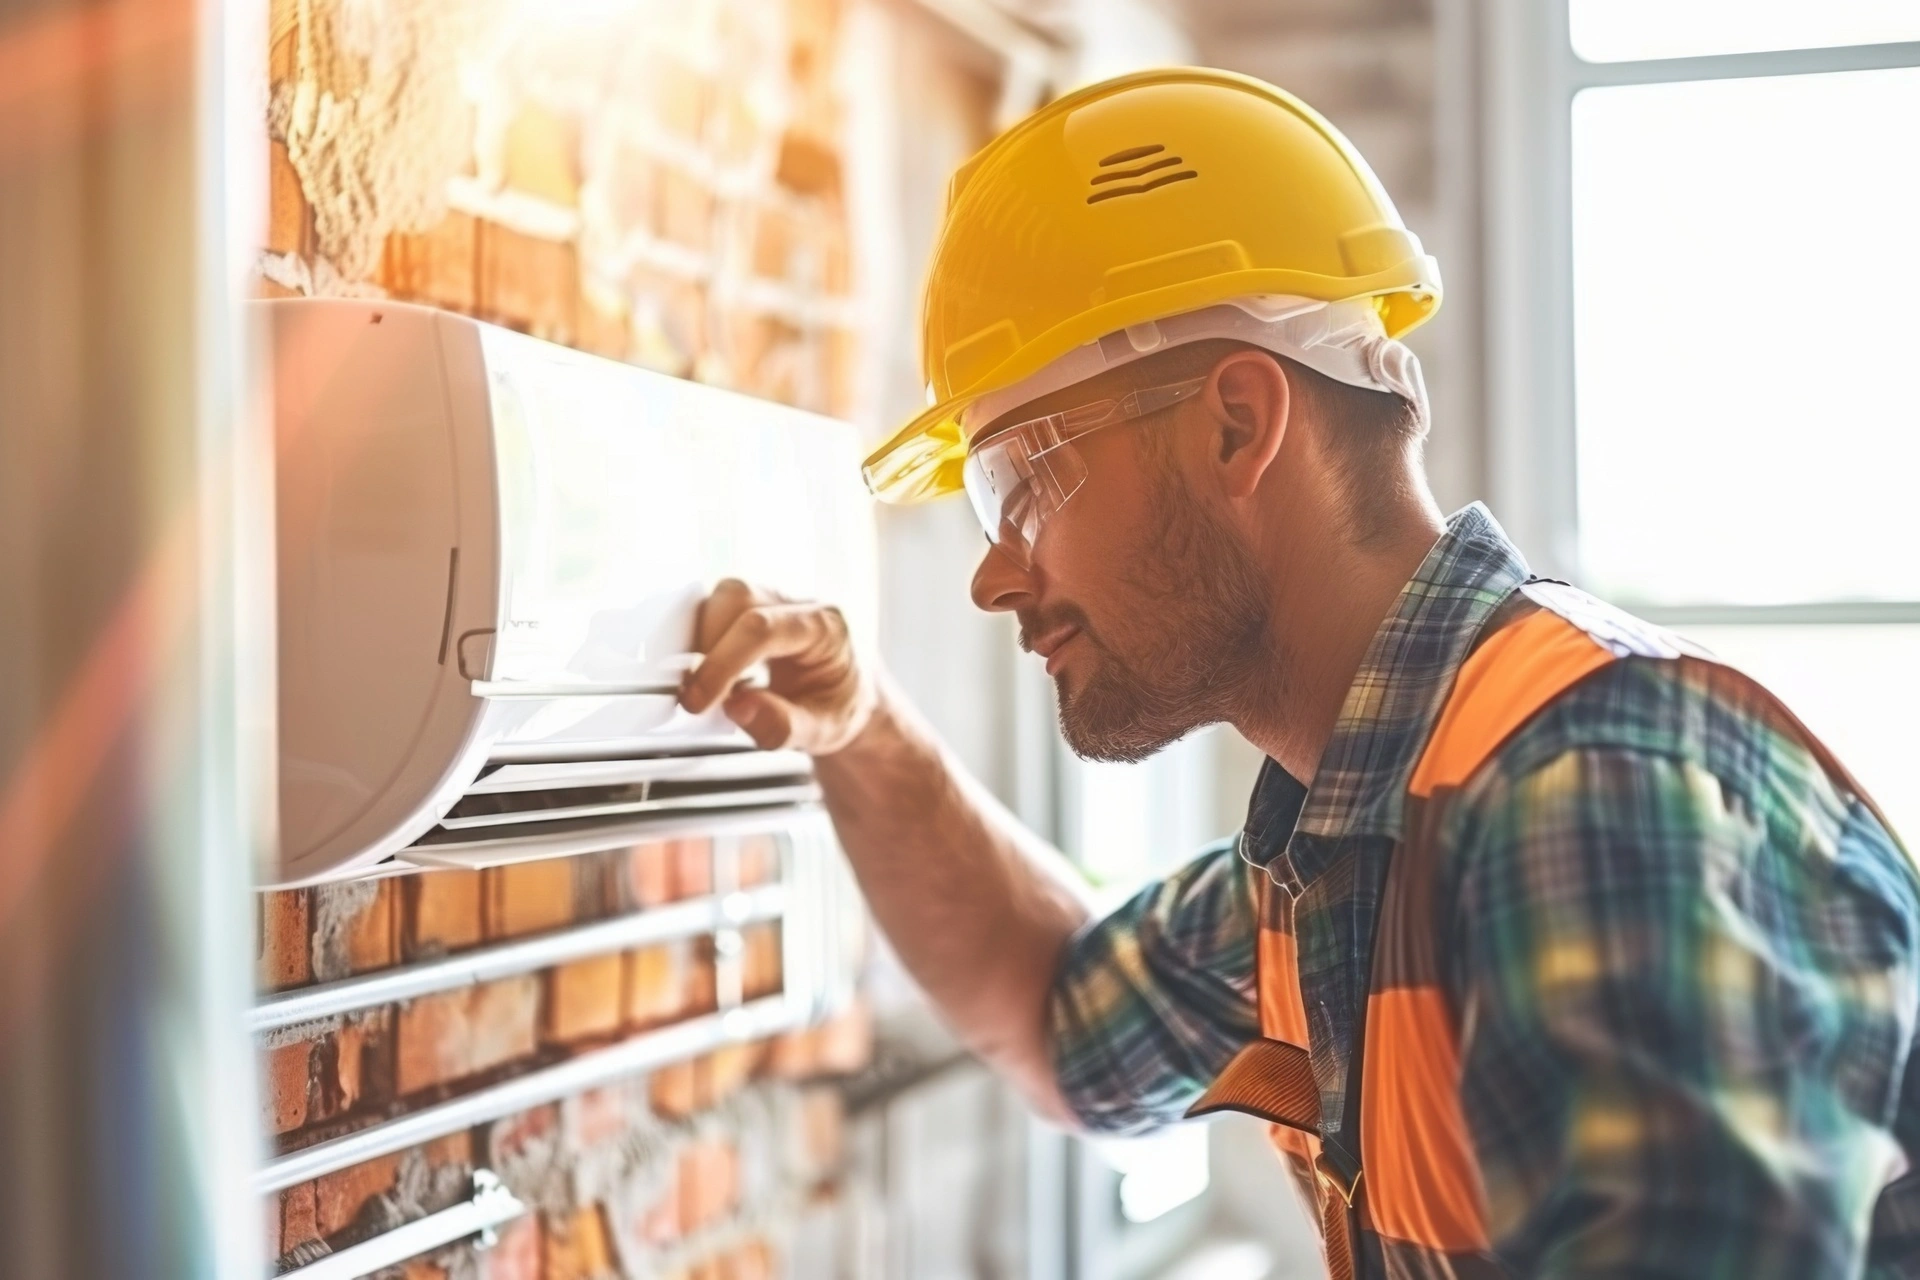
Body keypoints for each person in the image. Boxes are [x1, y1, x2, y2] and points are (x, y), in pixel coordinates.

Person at [679, 67, 1920, 1278]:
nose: (992, 577)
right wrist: (859, 723)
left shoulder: (1581, 795)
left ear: (1236, 424)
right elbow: (1063, 1013)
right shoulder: (1351, 838)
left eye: (1021, 485)